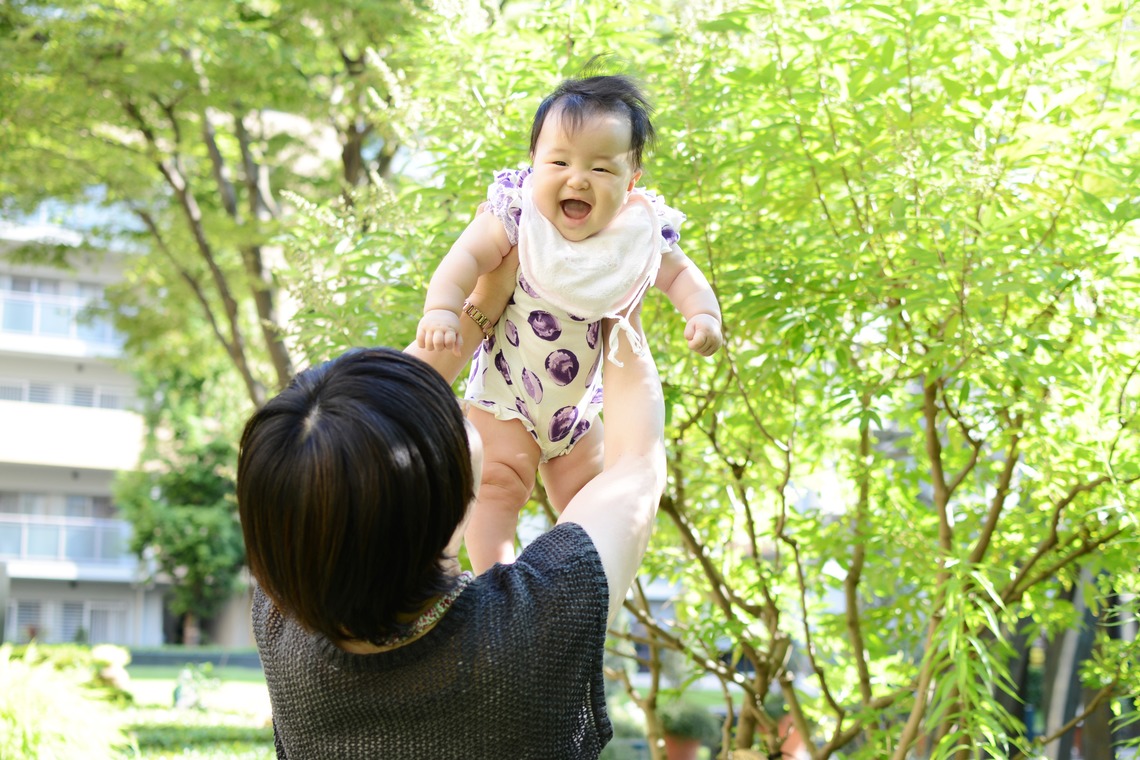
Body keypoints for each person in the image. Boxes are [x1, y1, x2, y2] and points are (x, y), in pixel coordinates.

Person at [236, 272, 666, 758]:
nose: (462, 405)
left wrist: (484, 302)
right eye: (453, 417)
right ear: (455, 503)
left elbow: (356, 442)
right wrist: (619, 300)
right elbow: (636, 464)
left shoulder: (282, 625)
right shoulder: (535, 628)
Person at [417, 73, 722, 573]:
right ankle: (494, 576)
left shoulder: (635, 231)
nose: (577, 179)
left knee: (591, 498)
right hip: (506, 397)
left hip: (576, 414)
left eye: (601, 168)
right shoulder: (518, 217)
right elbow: (465, 258)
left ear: (631, 180)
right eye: (559, 162)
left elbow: (681, 274)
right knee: (496, 486)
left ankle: (569, 580)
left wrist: (703, 313)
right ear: (533, 163)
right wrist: (441, 310)